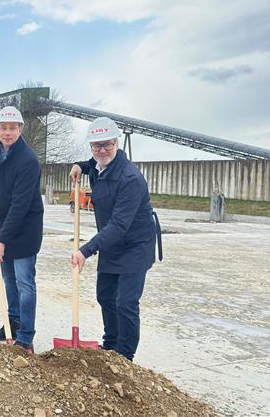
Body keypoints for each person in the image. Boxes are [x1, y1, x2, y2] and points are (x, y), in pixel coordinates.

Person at [69, 116, 162, 362]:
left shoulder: (130, 178)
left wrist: (85, 250)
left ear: (117, 144)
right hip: (112, 243)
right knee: (105, 296)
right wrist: (80, 165)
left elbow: (120, 225)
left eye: (107, 145)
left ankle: (125, 357)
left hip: (134, 245)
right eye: (96, 145)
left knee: (125, 302)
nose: (102, 150)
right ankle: (110, 346)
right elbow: (92, 164)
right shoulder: (100, 166)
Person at [0, 106, 44, 353]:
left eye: (12, 128)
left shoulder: (28, 159)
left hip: (24, 228)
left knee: (24, 281)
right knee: (8, 279)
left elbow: (21, 204)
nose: (7, 133)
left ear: (20, 129)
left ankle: (26, 338)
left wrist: (3, 240)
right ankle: (12, 324)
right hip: (2, 222)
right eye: (3, 128)